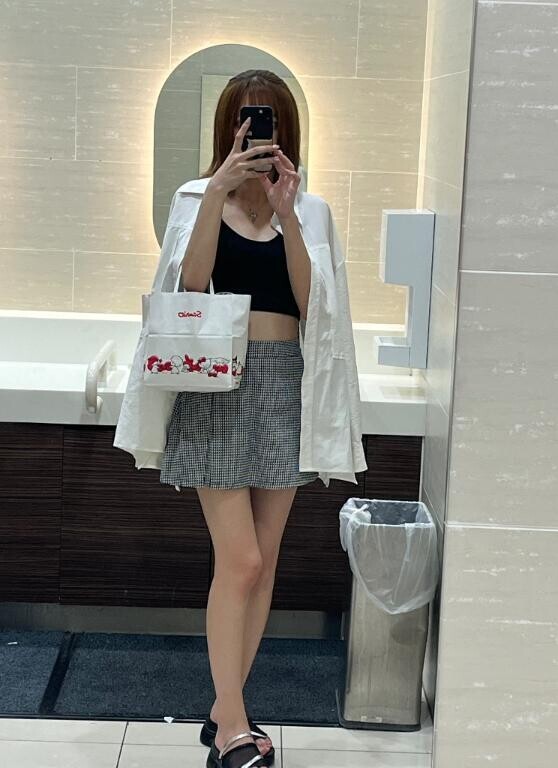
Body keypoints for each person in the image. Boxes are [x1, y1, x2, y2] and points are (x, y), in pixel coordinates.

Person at [158, 70, 322, 768]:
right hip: (217, 385)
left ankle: (226, 713)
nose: (257, 135)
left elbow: (314, 305)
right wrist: (217, 191)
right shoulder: (196, 197)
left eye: (269, 122)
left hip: (285, 384)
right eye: (247, 121)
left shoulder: (308, 208)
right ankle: (232, 724)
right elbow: (191, 287)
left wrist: (288, 216)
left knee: (264, 562)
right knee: (242, 559)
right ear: (229, 127)